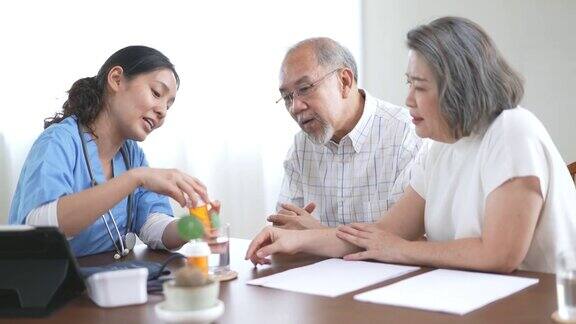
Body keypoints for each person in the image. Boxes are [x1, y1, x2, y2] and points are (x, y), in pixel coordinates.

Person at [246, 17, 576, 274]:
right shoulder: (441, 148)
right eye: (409, 84)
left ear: (456, 87)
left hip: (543, 302)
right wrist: (291, 240)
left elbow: (500, 255)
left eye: (419, 86)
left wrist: (401, 249)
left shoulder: (512, 129)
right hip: (477, 299)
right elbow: (380, 234)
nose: (407, 100)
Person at [9, 45, 217, 258]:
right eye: (156, 93)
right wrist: (135, 178)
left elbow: (151, 225)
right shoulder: (59, 141)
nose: (162, 111)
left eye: (168, 105)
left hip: (103, 280)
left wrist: (191, 226)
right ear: (116, 79)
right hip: (47, 285)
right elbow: (40, 227)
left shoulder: (131, 155)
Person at [270, 37, 422, 230]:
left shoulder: (406, 134)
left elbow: (400, 240)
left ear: (344, 81)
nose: (295, 106)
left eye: (304, 88)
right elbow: (285, 232)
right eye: (286, 97)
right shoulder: (301, 146)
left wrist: (316, 236)